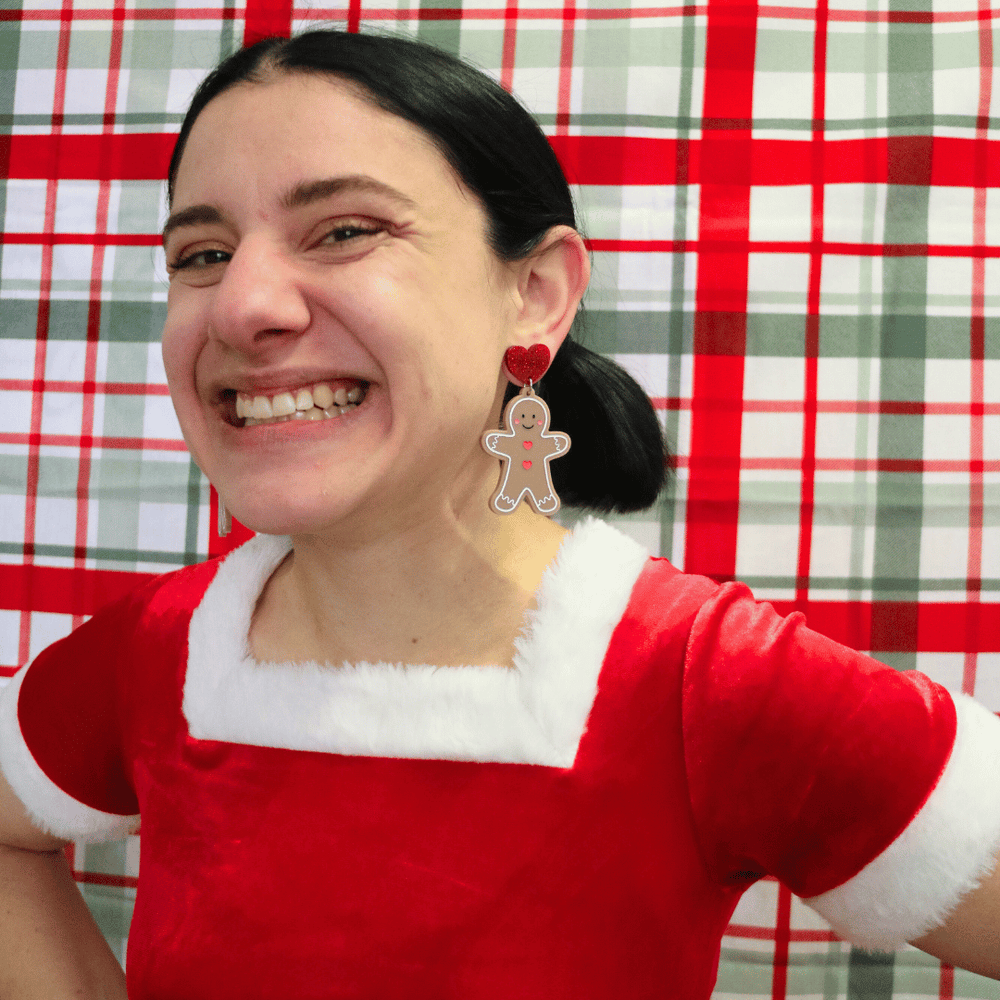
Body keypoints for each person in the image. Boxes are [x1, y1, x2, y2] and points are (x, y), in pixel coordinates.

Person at [1, 29, 999, 1000]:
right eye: (201, 253)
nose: (240, 304)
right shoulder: (157, 654)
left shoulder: (703, 684)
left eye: (344, 230)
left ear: (534, 292)